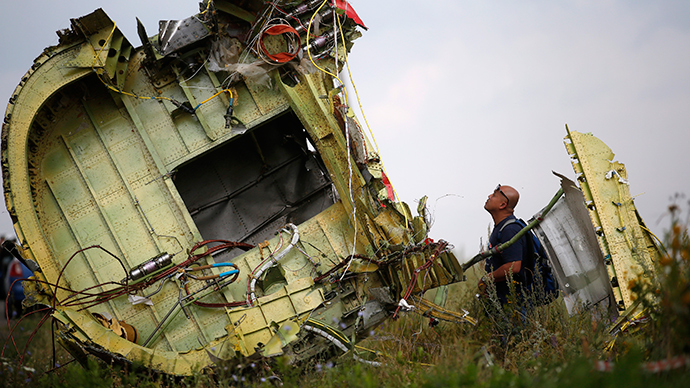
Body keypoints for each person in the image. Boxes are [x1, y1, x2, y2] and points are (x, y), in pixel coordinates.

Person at [478, 184, 531, 304]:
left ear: (502, 205)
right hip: (504, 299)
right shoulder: (502, 227)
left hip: (514, 303)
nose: (489, 196)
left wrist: (486, 279)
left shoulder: (510, 230)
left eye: (494, 195)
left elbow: (514, 266)